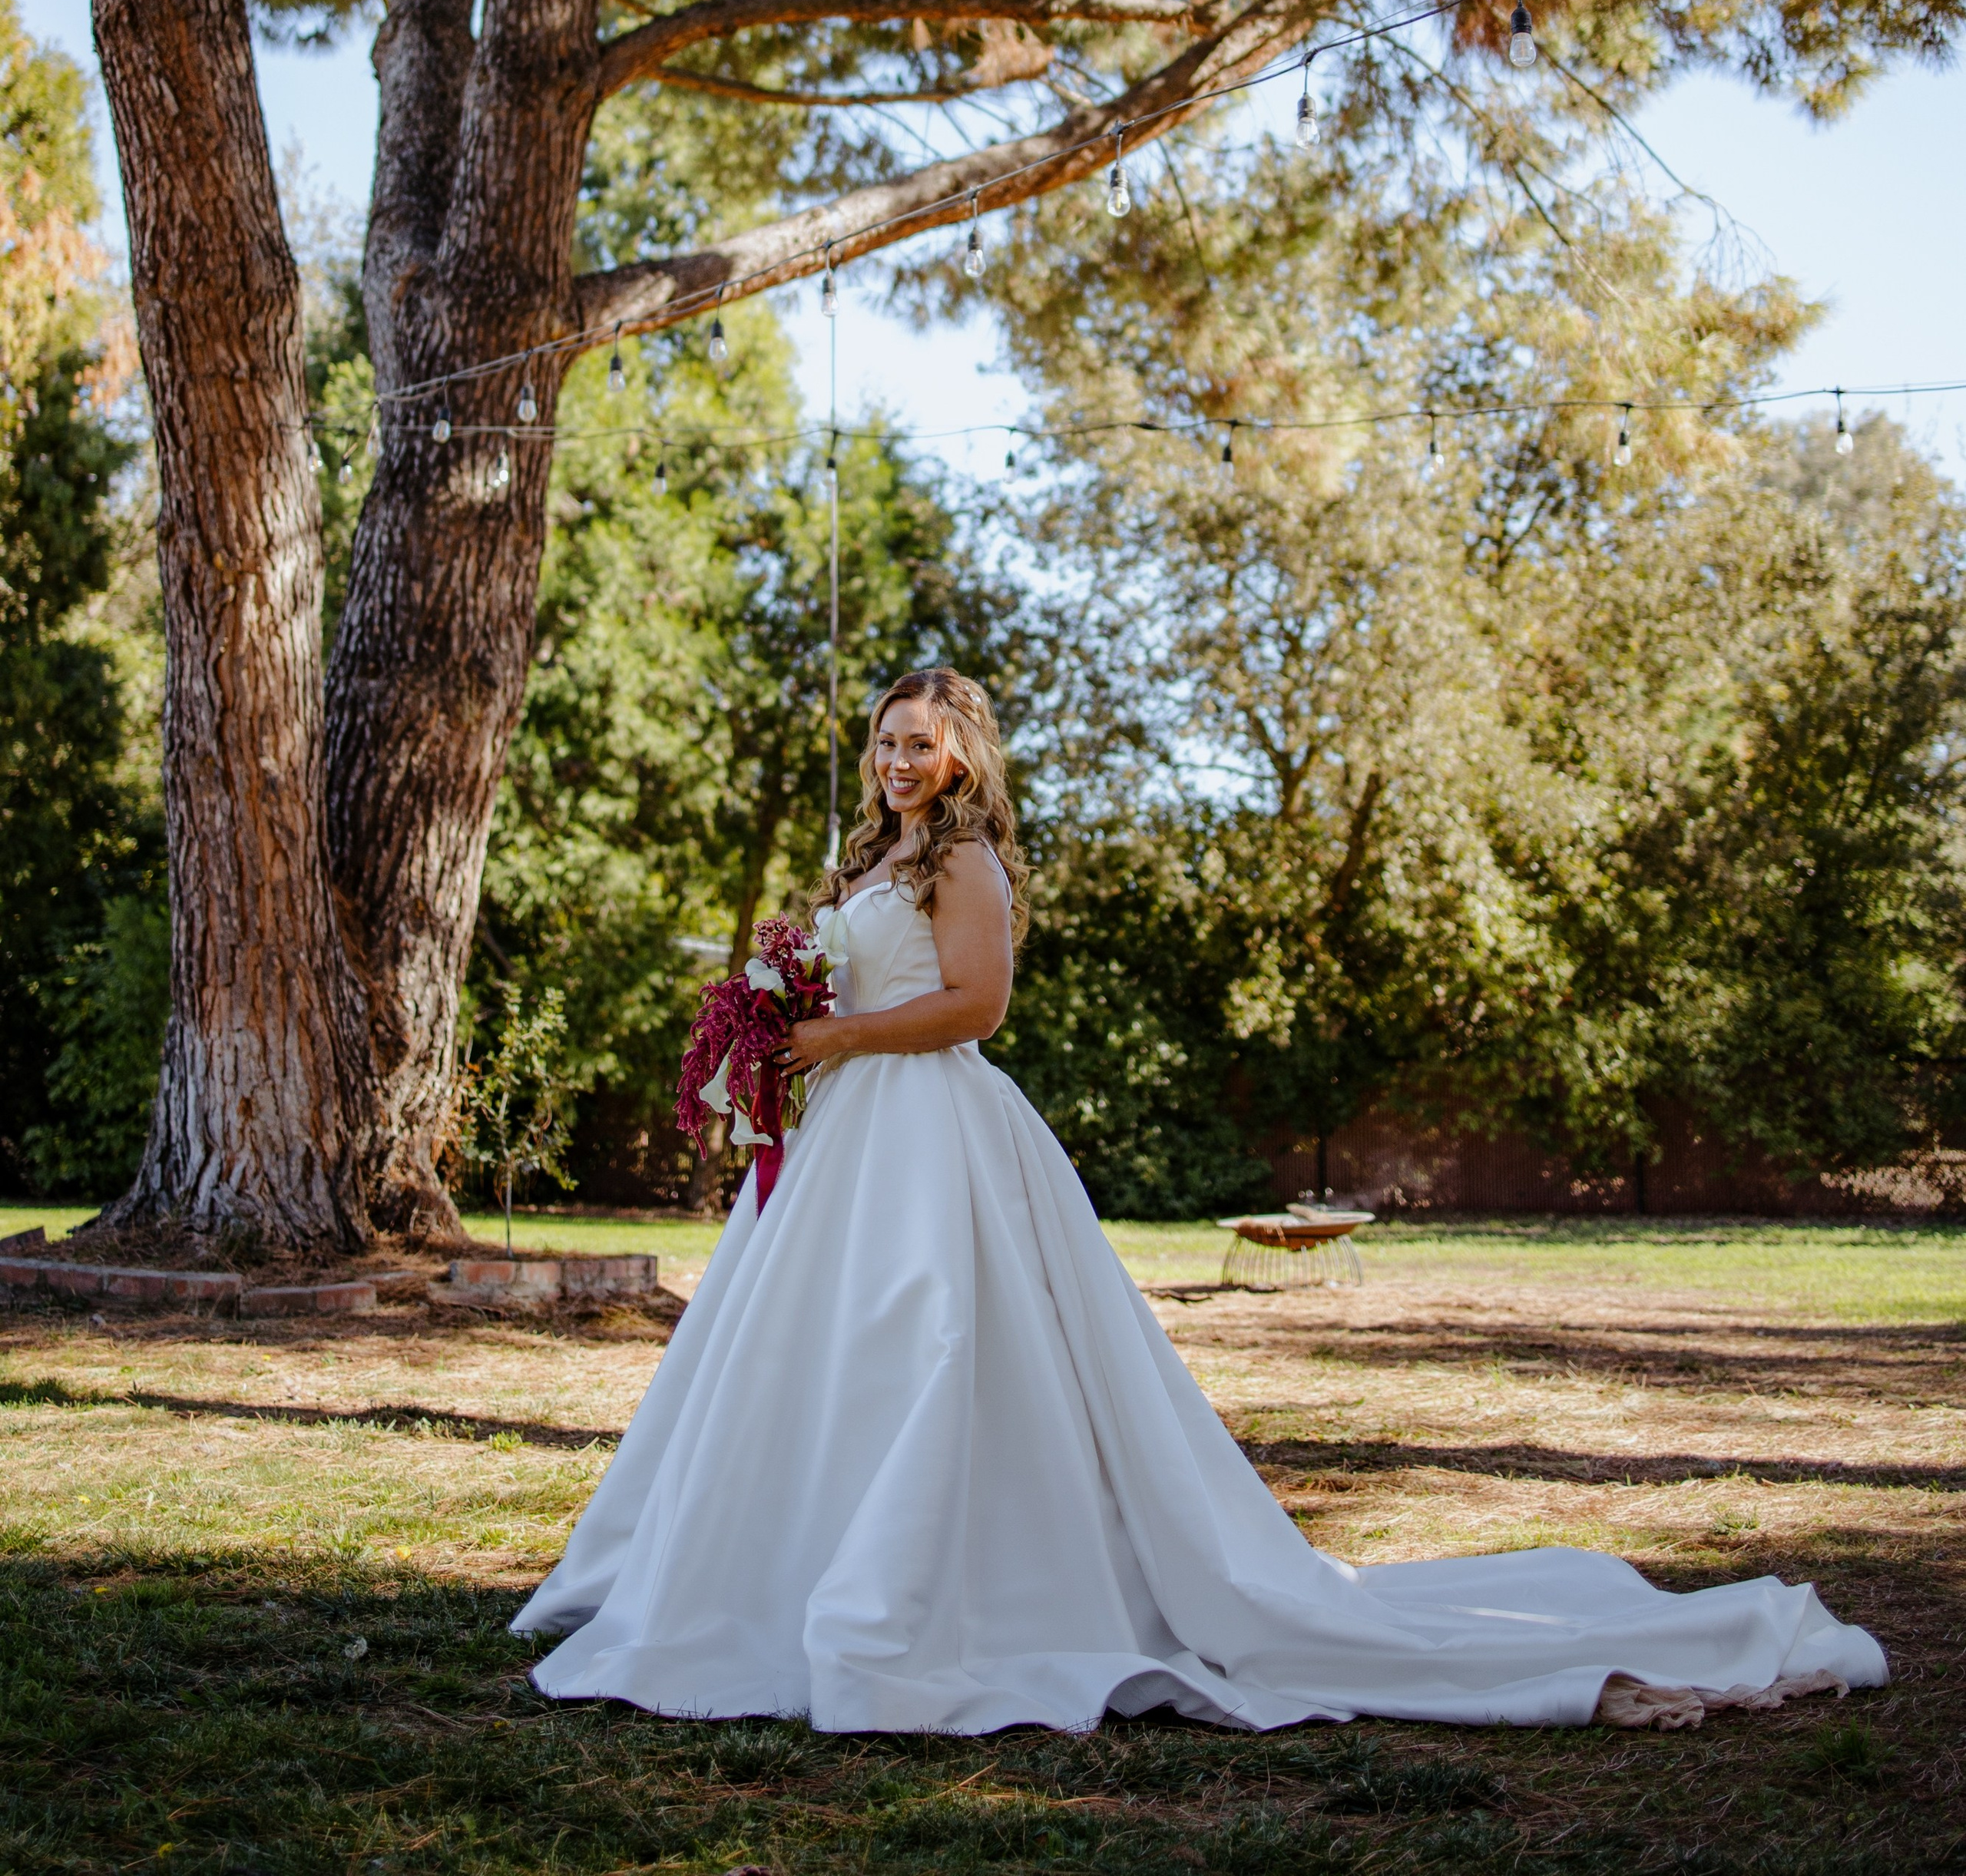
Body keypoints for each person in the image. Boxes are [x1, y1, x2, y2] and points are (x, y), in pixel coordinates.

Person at [514, 666, 1883, 1735]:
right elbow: (852, 981)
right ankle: (762, 1569)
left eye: (920, 741)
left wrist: (832, 1041)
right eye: (883, 739)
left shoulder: (964, 862)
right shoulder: (871, 858)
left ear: (966, 754)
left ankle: (938, 1595)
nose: (896, 759)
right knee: (810, 1358)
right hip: (841, 1142)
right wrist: (774, 1029)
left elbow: (976, 1005)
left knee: (928, 1343)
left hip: (930, 1131)